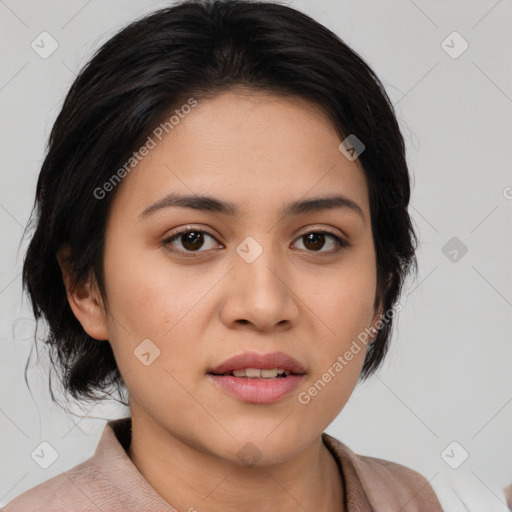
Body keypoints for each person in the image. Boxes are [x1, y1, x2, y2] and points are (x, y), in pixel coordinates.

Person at [1, 0, 444, 510]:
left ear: (382, 283)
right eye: (192, 239)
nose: (263, 305)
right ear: (85, 286)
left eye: (317, 239)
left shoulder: (424, 500)